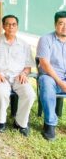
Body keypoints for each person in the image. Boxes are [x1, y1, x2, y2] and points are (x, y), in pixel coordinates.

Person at [0, 15, 35, 136]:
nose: (11, 27)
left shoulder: (24, 44)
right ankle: (1, 121)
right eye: (8, 24)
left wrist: (24, 73)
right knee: (1, 91)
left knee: (30, 94)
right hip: (0, 75)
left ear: (17, 26)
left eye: (14, 24)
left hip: (18, 77)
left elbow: (28, 65)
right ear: (3, 26)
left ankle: (21, 122)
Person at [37, 11, 66, 141]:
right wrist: (61, 82)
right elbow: (44, 64)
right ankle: (50, 124)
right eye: (61, 23)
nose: (64, 27)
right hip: (52, 77)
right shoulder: (46, 39)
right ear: (55, 24)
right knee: (46, 81)